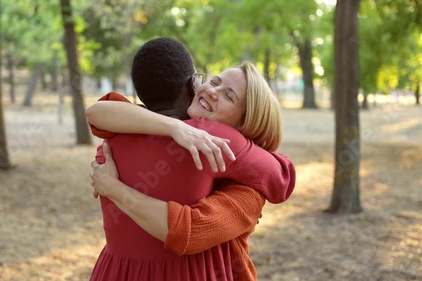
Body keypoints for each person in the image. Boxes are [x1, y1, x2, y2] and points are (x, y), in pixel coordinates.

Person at [87, 38, 295, 280]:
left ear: (246, 121)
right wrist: (176, 127)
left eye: (229, 96)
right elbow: (282, 176)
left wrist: (112, 188)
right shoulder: (164, 128)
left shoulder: (120, 134)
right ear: (193, 83)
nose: (213, 91)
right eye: (215, 81)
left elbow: (189, 231)